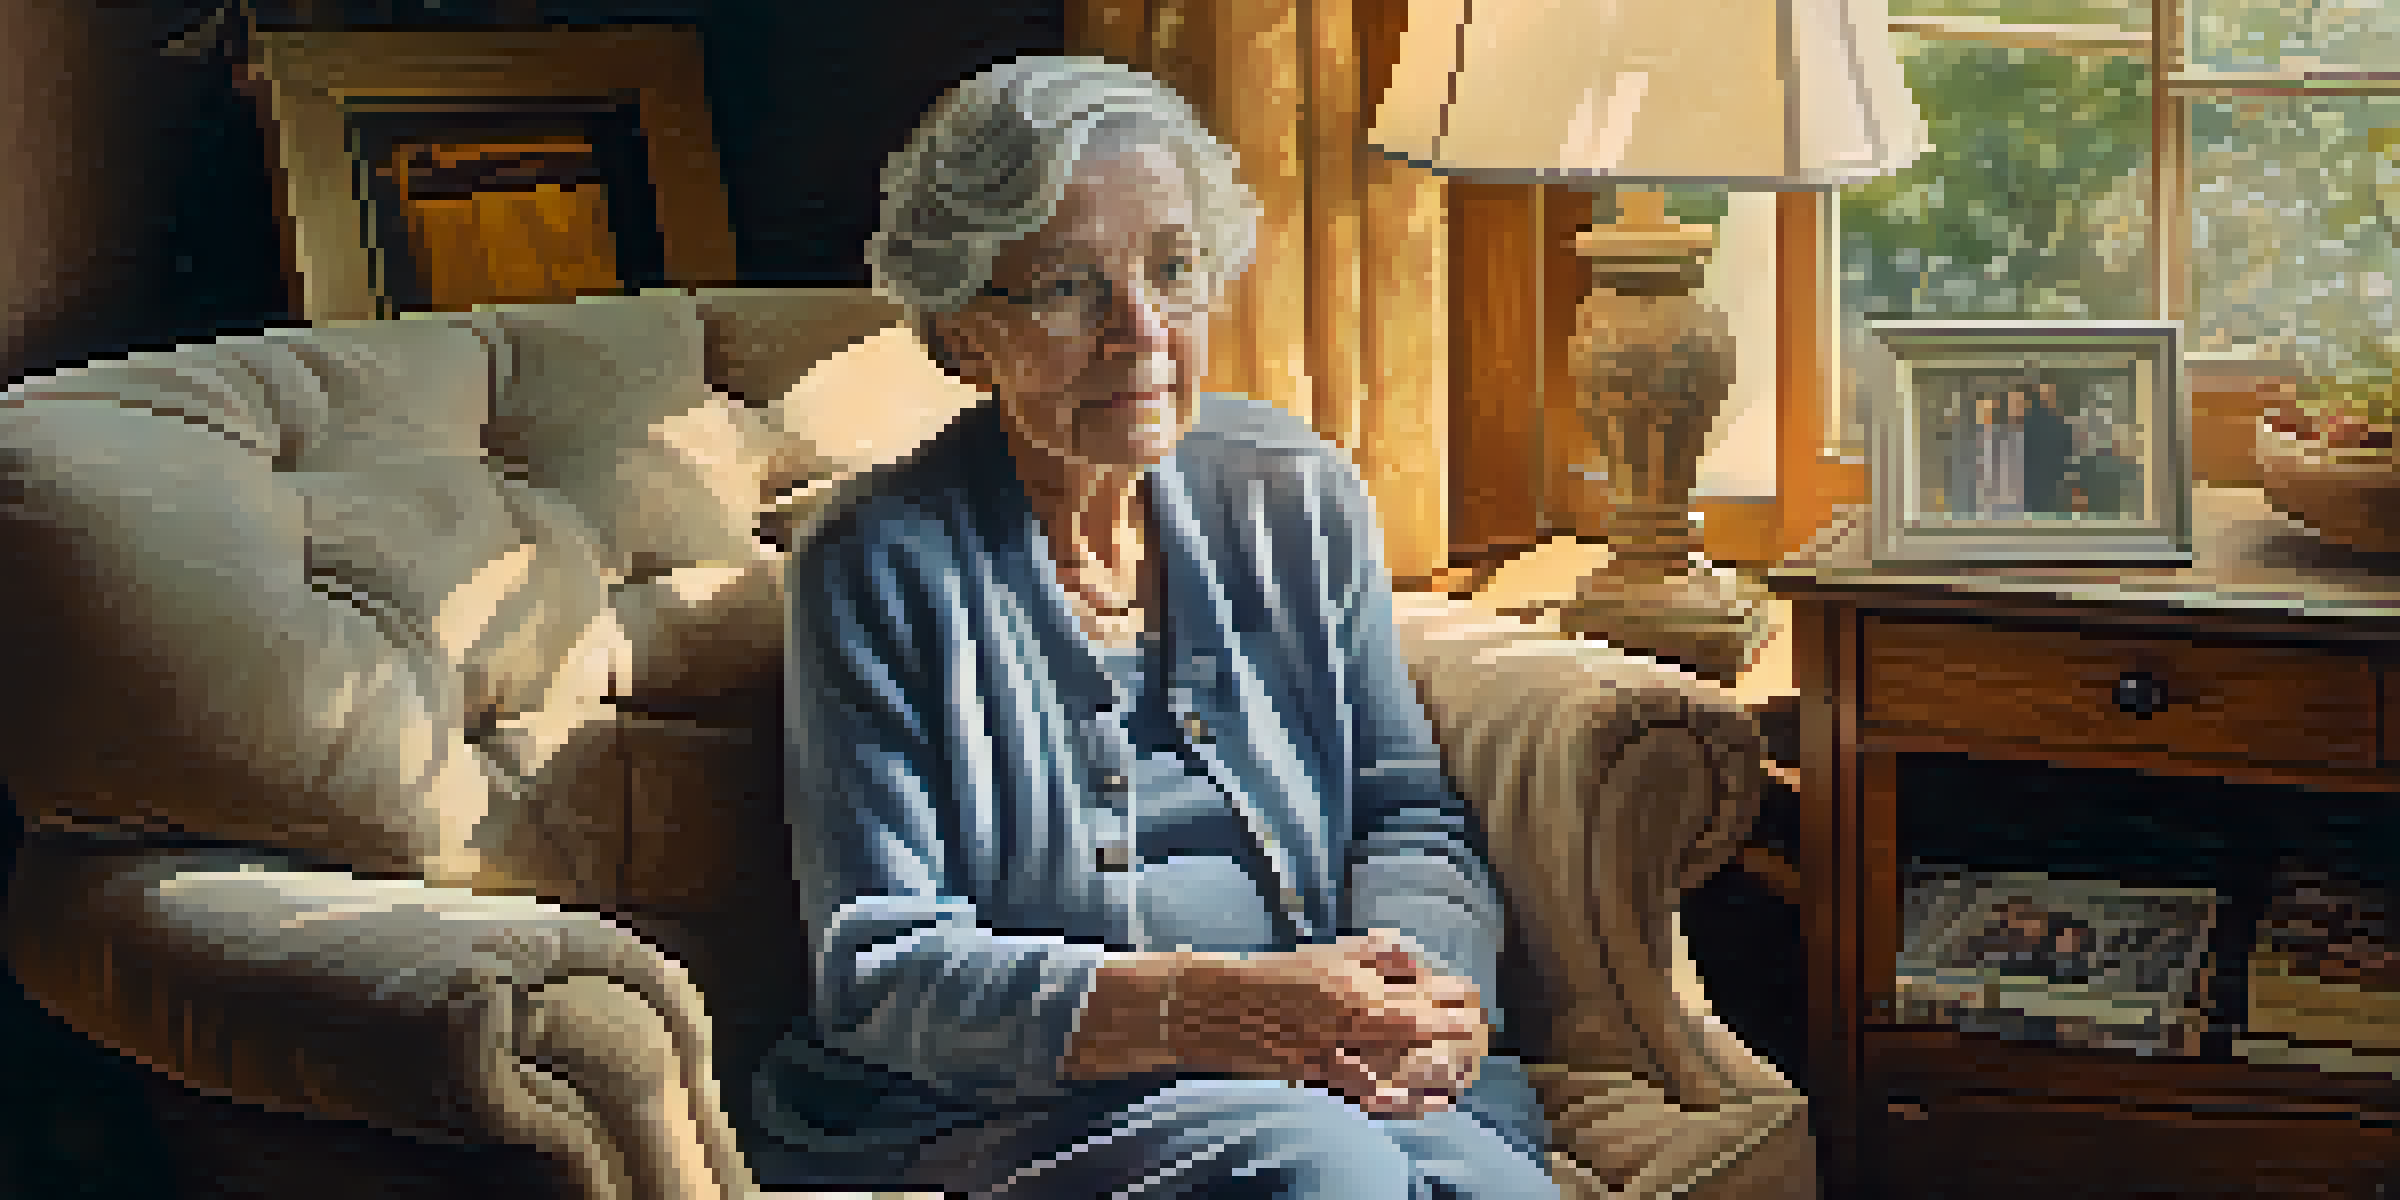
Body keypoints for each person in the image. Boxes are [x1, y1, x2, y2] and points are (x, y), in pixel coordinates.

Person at [747, 56, 1560, 1199]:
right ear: (965, 332)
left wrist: (1419, 991)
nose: (1144, 333)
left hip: (1320, 1062)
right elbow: (880, 969)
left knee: (1492, 1189)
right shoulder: (877, 564)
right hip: (1017, 1102)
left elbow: (1404, 810)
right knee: (1322, 1176)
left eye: (1174, 271)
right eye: (1071, 289)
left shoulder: (1298, 496)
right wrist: (1207, 1009)